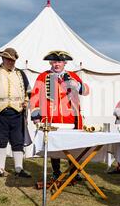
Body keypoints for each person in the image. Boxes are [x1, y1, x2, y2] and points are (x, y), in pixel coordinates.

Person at [29, 50, 90, 180]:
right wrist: (36, 116)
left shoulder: (72, 76)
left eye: (60, 62)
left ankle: (74, 172)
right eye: (55, 61)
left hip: (70, 118)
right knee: (53, 147)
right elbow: (35, 96)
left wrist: (78, 85)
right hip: (51, 118)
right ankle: (56, 172)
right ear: (51, 62)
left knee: (73, 146)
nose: (57, 64)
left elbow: (86, 91)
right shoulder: (43, 76)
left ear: (65, 63)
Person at [0, 48, 32, 179]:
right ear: (3, 59)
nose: (11, 62)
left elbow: (29, 91)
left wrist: (26, 101)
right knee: (1, 141)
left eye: (13, 60)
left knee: (17, 141)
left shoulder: (20, 74)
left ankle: (19, 168)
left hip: (17, 113)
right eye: (8, 59)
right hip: (1, 113)